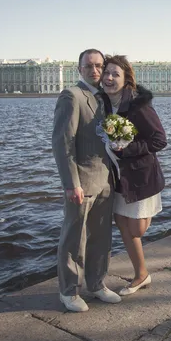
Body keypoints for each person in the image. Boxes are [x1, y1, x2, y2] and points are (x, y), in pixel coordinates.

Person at [51, 48, 121, 312]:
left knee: (101, 237)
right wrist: (71, 183)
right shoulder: (72, 96)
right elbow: (63, 142)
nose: (95, 70)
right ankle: (68, 291)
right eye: (89, 66)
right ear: (79, 69)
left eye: (99, 66)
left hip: (105, 180)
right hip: (82, 181)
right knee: (74, 238)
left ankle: (97, 283)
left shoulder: (103, 98)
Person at [100, 55, 167, 296]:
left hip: (140, 176)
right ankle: (141, 274)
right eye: (106, 72)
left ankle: (142, 273)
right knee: (122, 224)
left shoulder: (138, 104)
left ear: (126, 78)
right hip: (118, 176)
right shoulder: (104, 103)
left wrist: (127, 149)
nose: (109, 78)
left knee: (136, 229)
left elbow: (160, 140)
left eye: (115, 74)